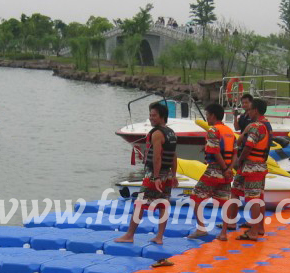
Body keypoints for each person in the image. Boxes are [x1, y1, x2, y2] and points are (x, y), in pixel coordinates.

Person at [115, 102, 177, 245]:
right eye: (150, 115)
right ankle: (159, 237)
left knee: (139, 203)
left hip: (153, 176)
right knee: (163, 204)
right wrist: (173, 175)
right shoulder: (171, 133)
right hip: (166, 175)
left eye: (154, 115)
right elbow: (174, 156)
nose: (151, 118)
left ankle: (129, 235)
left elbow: (157, 157)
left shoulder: (156, 134)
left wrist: (155, 177)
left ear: (162, 117)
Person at [188, 103, 236, 241]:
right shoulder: (229, 131)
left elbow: (214, 151)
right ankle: (224, 233)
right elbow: (235, 153)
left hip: (215, 170)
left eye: (207, 115)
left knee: (195, 196)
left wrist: (224, 168)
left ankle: (201, 228)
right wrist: (229, 169)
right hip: (227, 172)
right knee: (225, 201)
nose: (207, 118)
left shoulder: (213, 130)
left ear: (213, 115)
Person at [230, 99, 272, 241]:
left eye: (250, 110)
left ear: (255, 110)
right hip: (258, 166)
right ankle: (258, 227)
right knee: (243, 192)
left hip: (252, 167)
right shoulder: (266, 124)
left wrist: (238, 160)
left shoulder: (257, 126)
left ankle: (253, 231)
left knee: (253, 199)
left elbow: (248, 146)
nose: (248, 112)